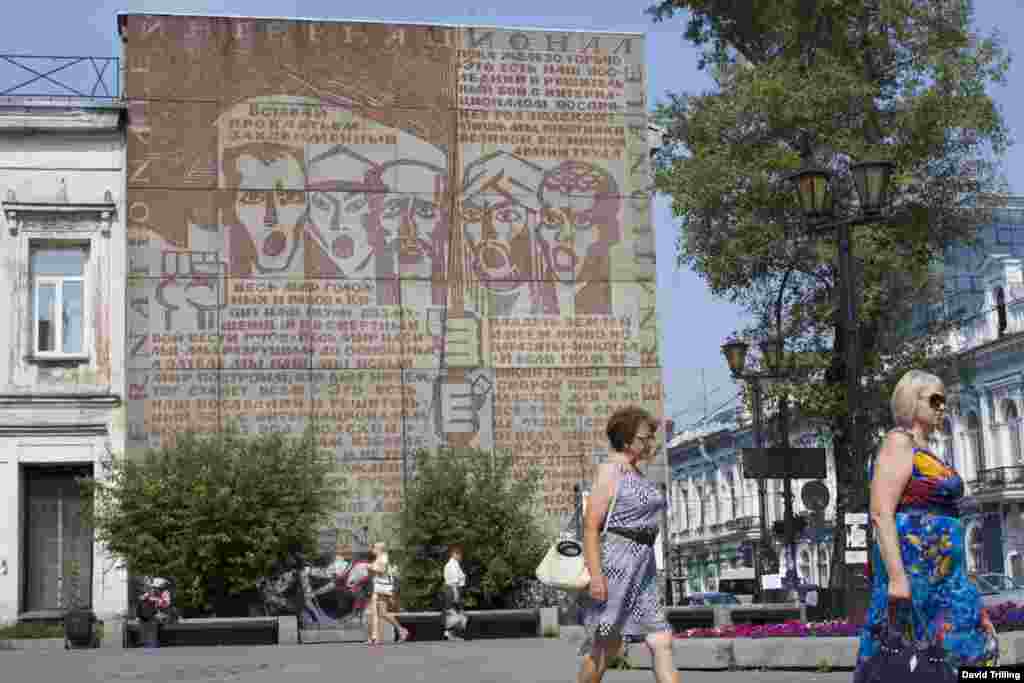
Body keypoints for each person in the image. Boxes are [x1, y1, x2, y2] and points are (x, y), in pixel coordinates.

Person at [853, 369, 999, 680]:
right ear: (911, 401)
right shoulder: (898, 442)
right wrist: (896, 579)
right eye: (935, 400)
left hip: (945, 582)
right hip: (915, 580)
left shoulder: (931, 452)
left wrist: (971, 594)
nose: (942, 407)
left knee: (974, 661)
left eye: (944, 401)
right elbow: (881, 512)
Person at [577, 406, 678, 683]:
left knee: (661, 639)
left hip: (643, 563)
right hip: (617, 563)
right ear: (626, 439)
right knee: (606, 645)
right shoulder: (610, 470)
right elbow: (590, 527)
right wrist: (596, 577)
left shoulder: (635, 471)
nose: (650, 443)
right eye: (645, 438)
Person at [367, 541, 410, 646]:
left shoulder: (383, 558)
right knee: (381, 613)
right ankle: (399, 631)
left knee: (379, 613)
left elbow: (381, 571)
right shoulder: (381, 558)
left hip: (382, 588)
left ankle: (400, 630)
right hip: (381, 588)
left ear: (380, 549)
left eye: (375, 548)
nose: (373, 550)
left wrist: (370, 567)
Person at [443, 544, 469, 640]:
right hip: (453, 590)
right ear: (454, 554)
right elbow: (454, 581)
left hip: (453, 590)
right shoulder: (452, 565)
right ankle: (450, 633)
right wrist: (456, 594)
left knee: (457, 614)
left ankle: (450, 633)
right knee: (458, 615)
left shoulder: (453, 564)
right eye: (460, 555)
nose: (461, 557)